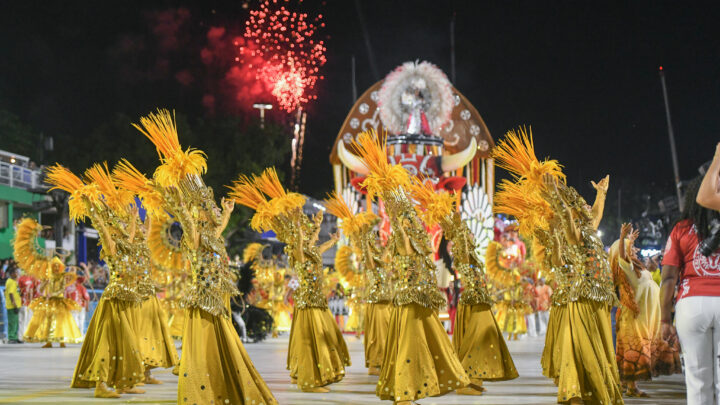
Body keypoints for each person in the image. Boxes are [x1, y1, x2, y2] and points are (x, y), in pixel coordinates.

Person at [125, 110, 277, 404]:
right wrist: (183, 209)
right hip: (204, 301)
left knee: (223, 345)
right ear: (200, 212)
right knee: (205, 348)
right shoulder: (193, 235)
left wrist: (228, 214)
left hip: (216, 300)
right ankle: (203, 390)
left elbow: (214, 232)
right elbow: (195, 232)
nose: (216, 208)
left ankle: (219, 385)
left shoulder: (212, 234)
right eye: (212, 207)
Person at [493, 129, 622, 405]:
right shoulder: (572, 233)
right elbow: (566, 224)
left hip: (598, 295)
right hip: (583, 296)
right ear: (574, 215)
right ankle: (579, 392)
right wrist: (556, 199)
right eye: (583, 206)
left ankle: (590, 389)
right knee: (584, 348)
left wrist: (601, 194)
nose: (588, 208)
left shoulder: (588, 229)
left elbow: (596, 215)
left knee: (598, 346)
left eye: (587, 205)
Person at [230, 167, 348, 394]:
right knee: (310, 340)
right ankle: (309, 379)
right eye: (308, 230)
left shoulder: (310, 249)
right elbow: (304, 246)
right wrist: (299, 228)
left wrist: (331, 240)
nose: (313, 231)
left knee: (318, 338)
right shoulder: (298, 251)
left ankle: (305, 374)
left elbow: (317, 247)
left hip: (315, 301)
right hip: (308, 302)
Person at [661, 176, 720, 404]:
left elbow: (668, 279)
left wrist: (665, 321)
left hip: (692, 303)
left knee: (697, 380)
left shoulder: (681, 229)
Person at [611, 223, 681, 397]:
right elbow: (622, 256)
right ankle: (631, 387)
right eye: (632, 248)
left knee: (638, 348)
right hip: (635, 316)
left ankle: (626, 386)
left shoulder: (637, 268)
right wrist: (622, 240)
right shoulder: (625, 267)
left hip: (646, 316)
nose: (636, 249)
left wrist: (629, 241)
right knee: (634, 349)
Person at [4, 267, 21, 343]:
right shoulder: (10, 281)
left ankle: (15, 336)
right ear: (11, 274)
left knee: (16, 322)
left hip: (16, 305)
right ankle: (11, 337)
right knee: (12, 322)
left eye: (17, 272)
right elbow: (11, 294)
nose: (17, 274)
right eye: (15, 272)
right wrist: (14, 305)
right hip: (12, 306)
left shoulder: (14, 281)